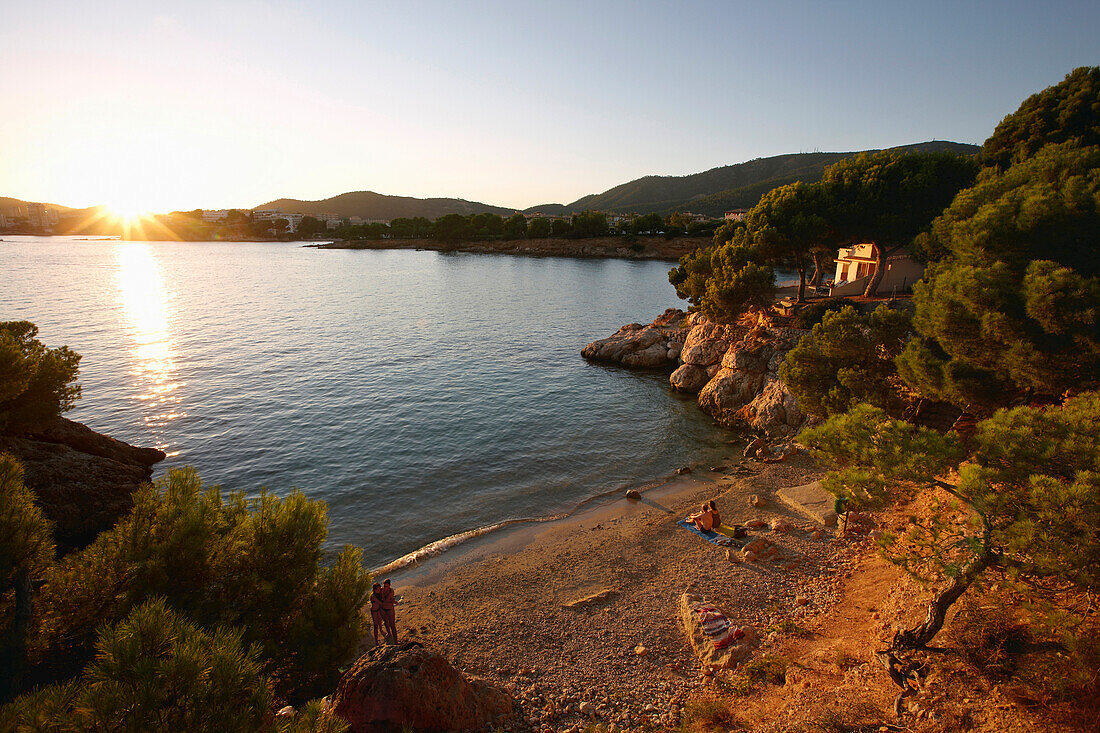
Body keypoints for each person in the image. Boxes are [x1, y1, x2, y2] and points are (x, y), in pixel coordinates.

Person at [380, 578, 398, 643]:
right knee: (385, 622)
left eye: (387, 586)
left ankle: (396, 640)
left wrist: (394, 602)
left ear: (389, 585)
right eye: (384, 586)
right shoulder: (381, 590)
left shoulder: (391, 591)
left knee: (392, 625)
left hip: (390, 608)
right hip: (383, 608)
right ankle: (389, 633)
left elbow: (390, 600)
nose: (385, 588)